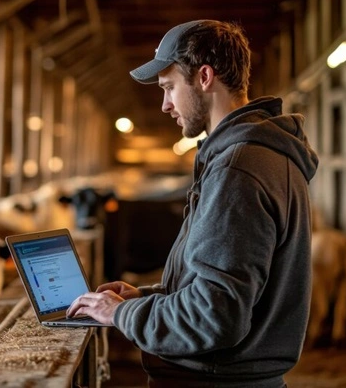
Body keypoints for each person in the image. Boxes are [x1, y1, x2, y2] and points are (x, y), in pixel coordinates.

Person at [67, 19, 319, 387]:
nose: (165, 105)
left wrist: (123, 315)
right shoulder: (262, 155)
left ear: (204, 77)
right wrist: (149, 296)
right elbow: (230, 289)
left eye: (169, 87)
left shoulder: (238, 169)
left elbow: (215, 316)